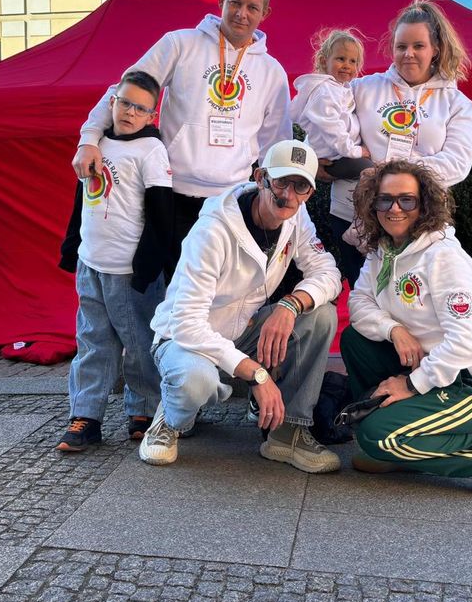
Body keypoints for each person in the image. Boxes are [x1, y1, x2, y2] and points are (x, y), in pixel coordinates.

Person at [139, 139, 343, 473]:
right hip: (185, 339)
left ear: (309, 192)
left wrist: (290, 305)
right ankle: (169, 420)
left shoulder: (296, 215)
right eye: (281, 182)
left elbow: (328, 272)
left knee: (320, 315)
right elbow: (188, 323)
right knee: (195, 380)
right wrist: (257, 374)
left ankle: (287, 433)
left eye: (301, 185)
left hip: (243, 331)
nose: (289, 195)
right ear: (261, 177)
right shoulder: (212, 230)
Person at [72, 0, 292, 274]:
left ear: (264, 13)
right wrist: (89, 139)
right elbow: (124, 89)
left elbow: (276, 145)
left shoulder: (272, 72)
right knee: (168, 292)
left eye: (252, 7)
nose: (242, 14)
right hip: (172, 194)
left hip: (232, 200)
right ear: (221, 0)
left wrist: (273, 199)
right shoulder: (180, 44)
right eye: (235, 3)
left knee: (222, 291)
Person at [340, 160, 472, 495]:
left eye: (406, 200)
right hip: (433, 364)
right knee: (357, 340)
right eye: (385, 200)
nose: (394, 208)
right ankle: (400, 444)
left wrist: (409, 386)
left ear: (424, 203)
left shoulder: (443, 257)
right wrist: (394, 330)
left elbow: (463, 345)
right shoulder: (385, 249)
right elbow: (358, 304)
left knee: (375, 436)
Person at [55, 71, 174, 452]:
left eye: (140, 108)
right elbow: (82, 202)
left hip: (129, 270)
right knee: (92, 341)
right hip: (92, 263)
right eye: (124, 103)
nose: (129, 112)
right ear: (112, 102)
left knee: (139, 343)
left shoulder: (151, 151)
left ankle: (144, 408)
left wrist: (152, 266)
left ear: (151, 115)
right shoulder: (95, 145)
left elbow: (161, 215)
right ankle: (86, 414)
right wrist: (72, 248)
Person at [328, 0, 472, 287]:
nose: (409, 54)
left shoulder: (456, 102)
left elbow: (457, 164)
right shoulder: (362, 88)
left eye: (418, 46)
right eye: (401, 47)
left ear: (435, 49)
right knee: (367, 302)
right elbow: (328, 126)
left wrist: (388, 177)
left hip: (419, 223)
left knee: (413, 309)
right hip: (357, 221)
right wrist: (320, 162)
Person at [290, 29, 374, 182]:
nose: (347, 65)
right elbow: (332, 127)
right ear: (323, 61)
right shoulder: (324, 92)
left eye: (353, 61)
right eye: (341, 59)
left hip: (341, 153)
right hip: (334, 158)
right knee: (373, 173)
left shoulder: (341, 87)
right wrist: (355, 151)